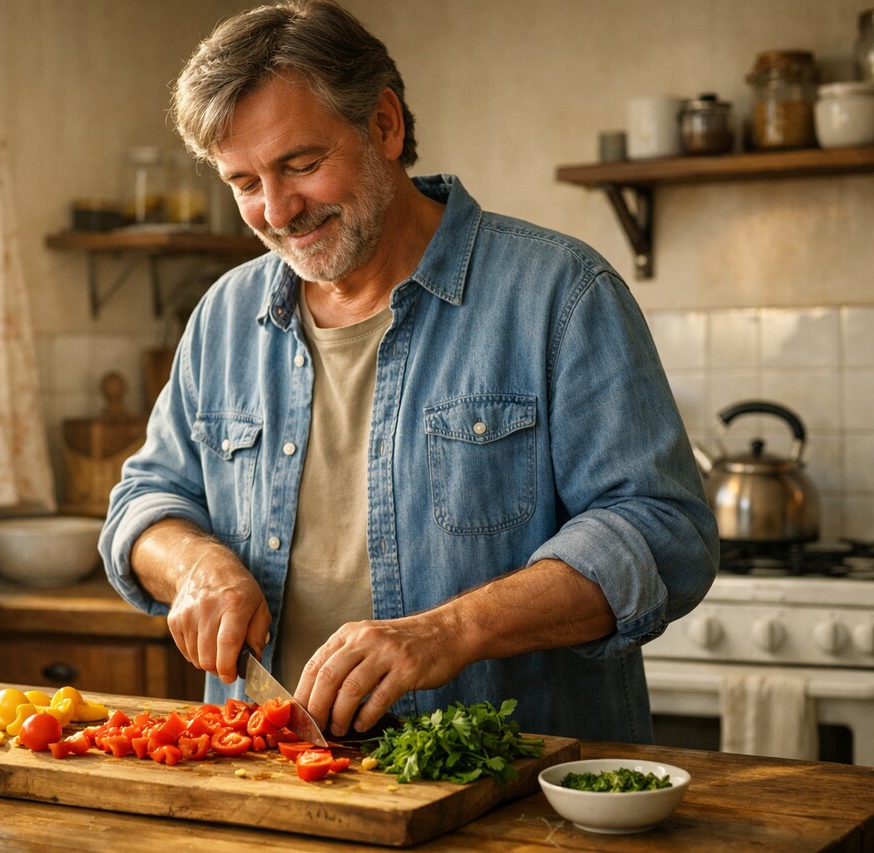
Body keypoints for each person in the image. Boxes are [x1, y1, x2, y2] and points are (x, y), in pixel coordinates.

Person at [99, 0, 718, 744]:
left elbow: (663, 532)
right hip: (274, 777)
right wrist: (195, 563)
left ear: (384, 125)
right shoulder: (223, 317)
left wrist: (450, 631)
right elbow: (146, 501)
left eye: (300, 165)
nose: (277, 209)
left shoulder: (562, 293)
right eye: (244, 182)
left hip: (510, 788)